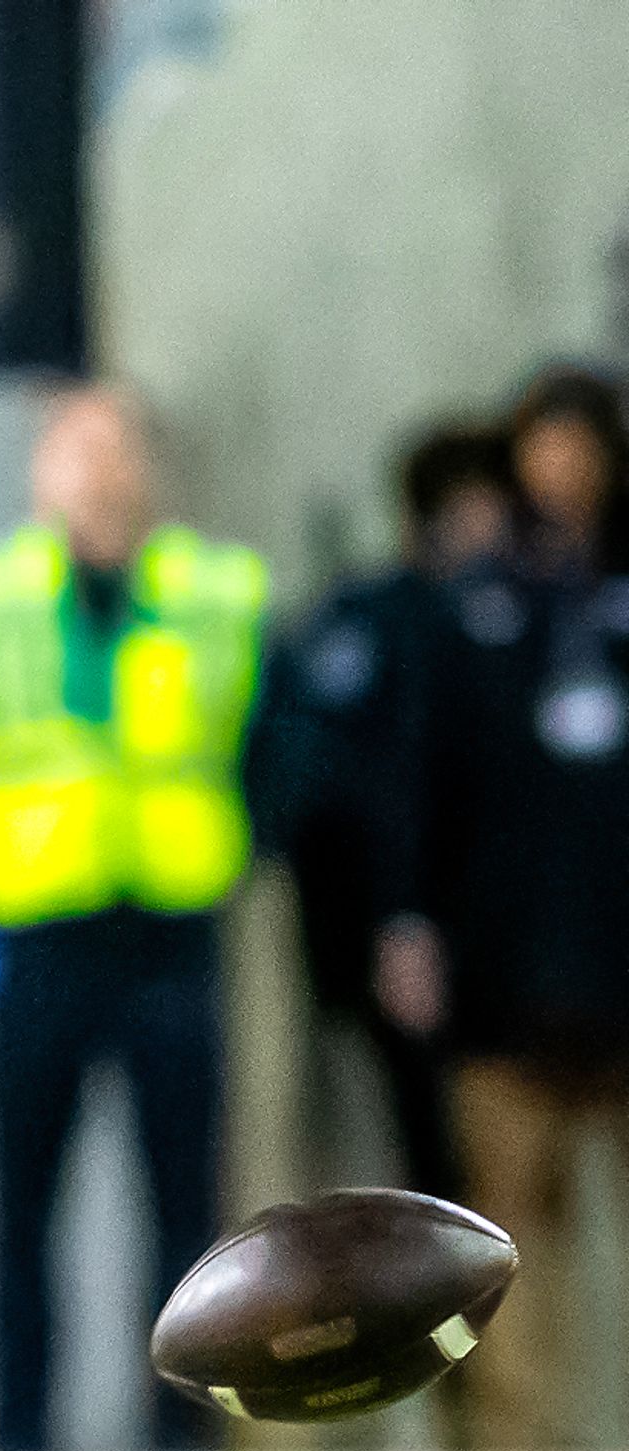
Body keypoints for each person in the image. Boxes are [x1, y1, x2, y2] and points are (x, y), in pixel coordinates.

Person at [0, 383, 267, 1451]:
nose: (100, 476)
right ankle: (18, 1437)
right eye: (77, 452)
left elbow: (277, 744)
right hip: (39, 934)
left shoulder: (216, 595)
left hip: (170, 933)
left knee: (186, 1213)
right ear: (40, 473)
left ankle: (186, 1436)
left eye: (117, 452)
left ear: (152, 474)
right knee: (20, 1207)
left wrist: (240, 844)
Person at [385, 367, 629, 1451]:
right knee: (508, 1245)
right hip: (505, 984)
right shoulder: (471, 611)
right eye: (547, 446)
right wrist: (408, 921)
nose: (564, 470)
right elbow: (421, 781)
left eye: (584, 446)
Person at [248, 423, 508, 1203]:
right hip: (383, 946)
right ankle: (440, 1332)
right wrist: (392, 924)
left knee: (477, 1191)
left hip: (508, 958)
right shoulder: (376, 620)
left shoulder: (519, 618)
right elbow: (331, 782)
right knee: (422, 1184)